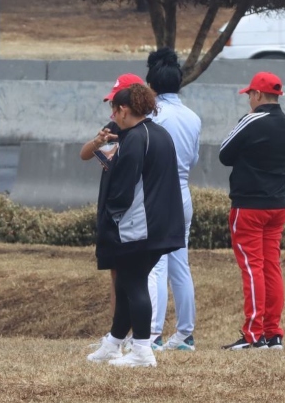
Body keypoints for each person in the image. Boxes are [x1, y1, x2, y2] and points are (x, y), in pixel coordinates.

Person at [85, 83, 186, 367]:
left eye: (114, 110)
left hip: (139, 224)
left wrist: (111, 215)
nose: (113, 115)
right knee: (130, 283)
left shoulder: (134, 139)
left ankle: (142, 349)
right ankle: (115, 343)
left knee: (133, 283)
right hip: (162, 222)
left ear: (123, 110)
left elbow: (123, 186)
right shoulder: (160, 133)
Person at [218, 72, 285, 351]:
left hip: (249, 204)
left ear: (258, 95)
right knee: (271, 265)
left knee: (252, 268)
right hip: (277, 204)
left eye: (249, 94)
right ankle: (273, 332)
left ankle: (254, 334)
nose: (249, 100)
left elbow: (224, 153)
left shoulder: (252, 120)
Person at [142, 50, 201, 352]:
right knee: (180, 263)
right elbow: (192, 158)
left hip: (157, 194)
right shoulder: (192, 117)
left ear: (151, 84)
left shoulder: (152, 116)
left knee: (155, 265)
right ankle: (185, 334)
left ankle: (152, 335)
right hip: (182, 192)